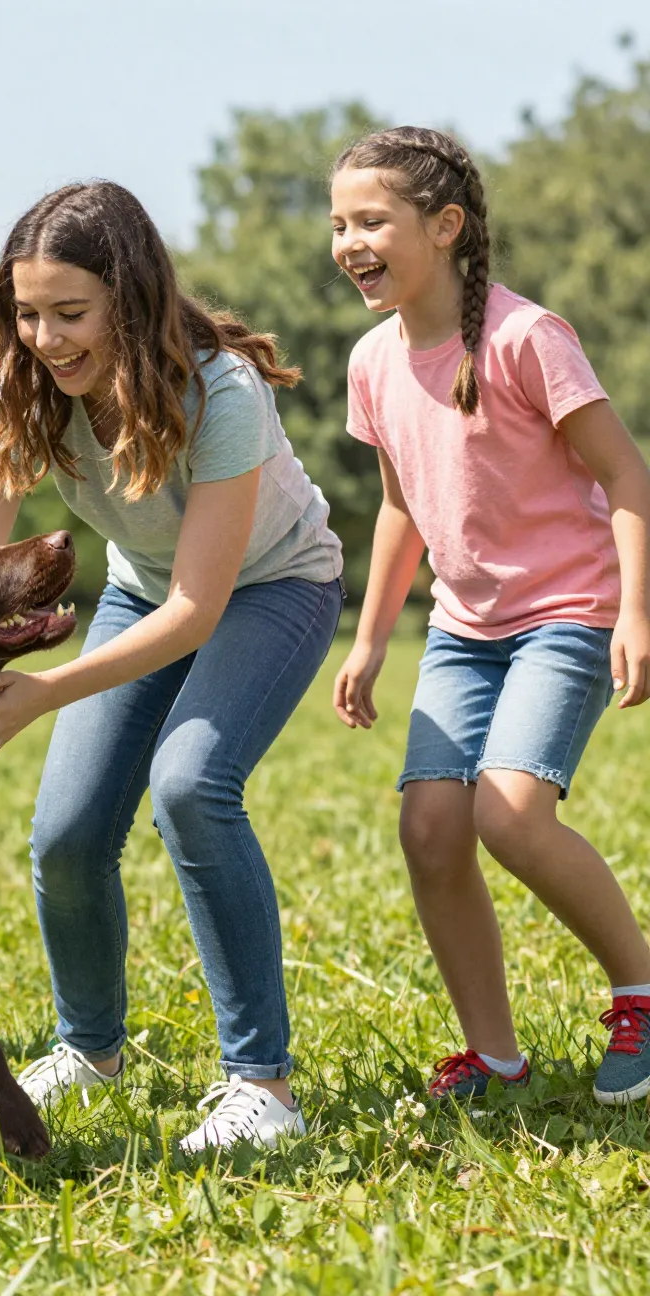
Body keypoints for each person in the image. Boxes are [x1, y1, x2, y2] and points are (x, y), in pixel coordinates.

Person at [0, 181, 344, 1152]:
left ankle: (264, 1086)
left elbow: (201, 607)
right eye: (27, 313)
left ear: (128, 302)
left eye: (70, 314)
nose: (47, 338)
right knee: (63, 830)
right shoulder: (15, 392)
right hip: (145, 590)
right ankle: (90, 1052)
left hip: (272, 587)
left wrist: (45, 690)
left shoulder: (220, 392)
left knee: (191, 786)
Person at [329, 127, 650, 1103]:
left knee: (509, 814)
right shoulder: (373, 362)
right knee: (431, 828)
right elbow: (399, 508)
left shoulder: (524, 338)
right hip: (464, 630)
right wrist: (375, 637)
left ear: (446, 226)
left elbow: (624, 473)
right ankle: (495, 1052)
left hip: (569, 609)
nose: (349, 241)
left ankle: (640, 991)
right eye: (338, 222)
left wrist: (635, 613)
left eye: (372, 220)